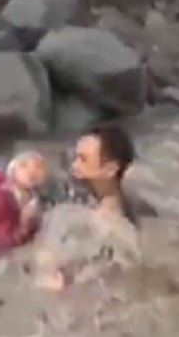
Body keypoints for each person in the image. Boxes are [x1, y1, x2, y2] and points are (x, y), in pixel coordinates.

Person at [33, 123, 142, 291]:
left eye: (83, 160)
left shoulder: (118, 227)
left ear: (109, 169)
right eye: (75, 158)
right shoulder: (69, 208)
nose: (74, 167)